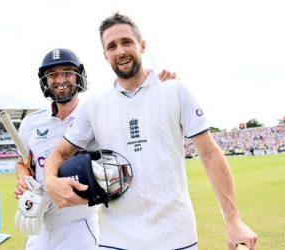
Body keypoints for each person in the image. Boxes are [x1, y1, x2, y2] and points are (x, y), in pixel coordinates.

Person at [44, 13, 257, 250]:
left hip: (178, 239)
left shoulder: (174, 90)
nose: (120, 51)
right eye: (111, 46)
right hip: (115, 241)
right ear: (105, 56)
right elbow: (60, 153)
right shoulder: (94, 107)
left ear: (142, 45)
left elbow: (209, 154)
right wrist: (50, 180)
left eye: (126, 42)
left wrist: (233, 219)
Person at [14, 48, 176, 250]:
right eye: (53, 74)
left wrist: (158, 93)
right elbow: (23, 162)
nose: (60, 79)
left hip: (79, 229)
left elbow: (139, 122)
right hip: (38, 228)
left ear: (79, 76)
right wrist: (22, 179)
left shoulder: (98, 115)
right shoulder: (31, 123)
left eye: (67, 72)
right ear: (45, 81)